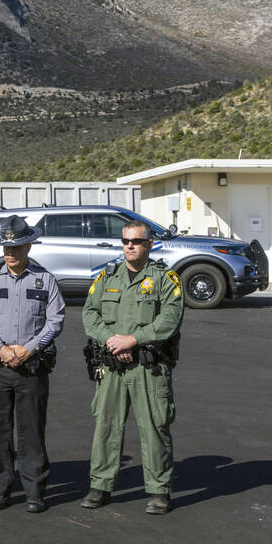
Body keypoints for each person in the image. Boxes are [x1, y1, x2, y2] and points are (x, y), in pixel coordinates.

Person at [80, 219, 183, 515]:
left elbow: (169, 320)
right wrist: (112, 341)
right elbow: (90, 314)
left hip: (148, 369)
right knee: (106, 427)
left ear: (150, 244)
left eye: (136, 242)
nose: (129, 246)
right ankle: (100, 486)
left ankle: (159, 491)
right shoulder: (107, 277)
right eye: (125, 241)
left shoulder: (165, 279)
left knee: (154, 427)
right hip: (112, 367)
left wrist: (133, 340)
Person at [0, 215, 65, 513]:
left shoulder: (45, 279)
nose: (11, 254)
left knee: (32, 430)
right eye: (6, 249)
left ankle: (34, 490)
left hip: (31, 367)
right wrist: (2, 349)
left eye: (17, 247)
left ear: (28, 245)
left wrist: (29, 349)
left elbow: (56, 320)